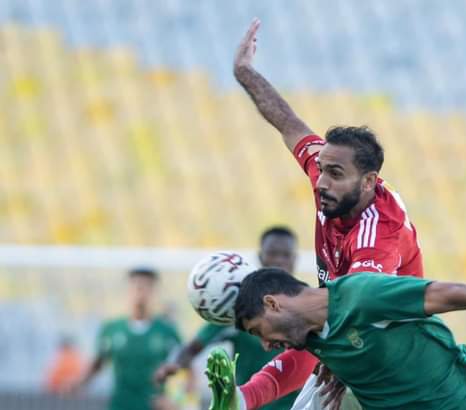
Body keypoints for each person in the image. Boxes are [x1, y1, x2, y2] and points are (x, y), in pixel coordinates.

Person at [231, 18, 424, 410]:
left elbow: (355, 315)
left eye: (335, 174)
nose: (320, 182)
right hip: (345, 325)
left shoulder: (378, 234)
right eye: (323, 169)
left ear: (369, 182)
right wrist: (245, 72)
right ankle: (241, 400)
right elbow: (288, 124)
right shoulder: (331, 176)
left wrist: (334, 361)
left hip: (385, 352)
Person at [206, 269, 466, 410]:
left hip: (456, 404)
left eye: (260, 331)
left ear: (273, 303)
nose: (266, 345)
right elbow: (283, 371)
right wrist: (241, 399)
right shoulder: (306, 338)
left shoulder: (362, 297)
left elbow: (461, 292)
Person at [155, 226, 301, 409]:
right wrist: (175, 363)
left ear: (295, 259)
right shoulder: (238, 307)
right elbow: (194, 347)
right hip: (249, 404)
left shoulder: (306, 309)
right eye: (273, 253)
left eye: (286, 255)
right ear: (260, 257)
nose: (279, 261)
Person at [70, 268, 183, 410]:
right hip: (120, 405)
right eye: (136, 285)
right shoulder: (111, 329)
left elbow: (187, 371)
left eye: (147, 286)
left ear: (154, 292)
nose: (141, 291)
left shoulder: (167, 331)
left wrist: (176, 402)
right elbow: (97, 364)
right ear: (128, 290)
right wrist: (78, 383)